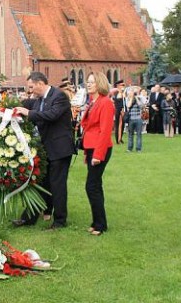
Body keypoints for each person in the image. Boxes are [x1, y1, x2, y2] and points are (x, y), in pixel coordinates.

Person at [13, 73, 75, 229]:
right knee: (39, 183)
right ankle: (29, 218)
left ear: (40, 83)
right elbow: (31, 108)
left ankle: (60, 221)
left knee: (57, 185)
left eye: (32, 87)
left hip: (60, 149)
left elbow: (51, 115)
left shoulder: (59, 96)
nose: (30, 91)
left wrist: (28, 113)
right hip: (46, 148)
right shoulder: (39, 100)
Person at [81, 72, 115, 236]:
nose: (88, 84)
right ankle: (97, 222)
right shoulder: (93, 102)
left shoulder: (105, 102)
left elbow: (105, 131)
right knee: (95, 185)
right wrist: (87, 153)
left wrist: (97, 155)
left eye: (92, 82)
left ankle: (100, 224)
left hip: (100, 149)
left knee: (91, 186)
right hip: (91, 148)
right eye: (88, 82)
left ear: (99, 84)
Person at [124, 87, 145, 152]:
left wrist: (136, 98)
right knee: (130, 134)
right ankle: (129, 148)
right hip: (131, 119)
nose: (131, 93)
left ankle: (138, 148)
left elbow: (141, 106)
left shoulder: (140, 98)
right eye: (130, 92)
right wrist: (131, 98)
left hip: (138, 119)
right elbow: (128, 106)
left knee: (139, 134)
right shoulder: (128, 99)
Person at [112, 79, 125, 144]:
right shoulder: (116, 93)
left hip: (123, 110)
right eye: (122, 85)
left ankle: (121, 138)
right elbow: (116, 100)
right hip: (118, 110)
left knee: (122, 125)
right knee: (117, 125)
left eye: (123, 85)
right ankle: (117, 139)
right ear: (118, 86)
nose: (123, 86)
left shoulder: (123, 92)